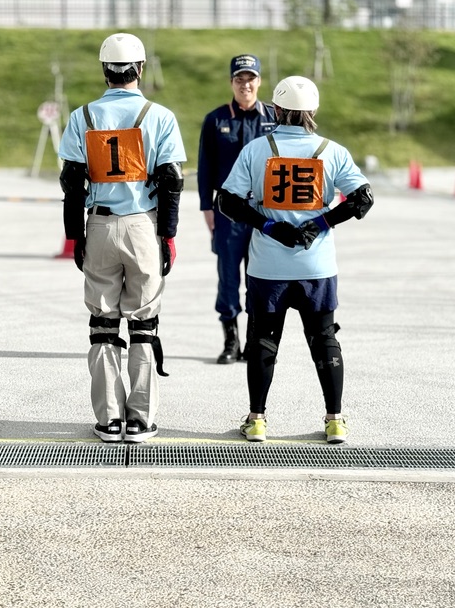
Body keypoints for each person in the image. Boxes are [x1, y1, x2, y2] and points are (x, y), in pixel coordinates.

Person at [216, 75, 373, 445]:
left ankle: (257, 420)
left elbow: (228, 201)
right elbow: (362, 198)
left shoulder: (257, 149)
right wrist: (319, 222)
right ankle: (335, 420)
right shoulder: (331, 151)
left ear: (276, 109)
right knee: (324, 339)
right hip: (316, 267)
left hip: (268, 267)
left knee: (263, 340)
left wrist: (270, 225)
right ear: (313, 111)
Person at [58, 32, 186, 444]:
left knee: (102, 324)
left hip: (99, 222)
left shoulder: (83, 117)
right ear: (141, 68)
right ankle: (141, 420)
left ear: (104, 70)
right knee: (144, 324)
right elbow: (171, 181)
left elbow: (72, 183)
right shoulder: (159, 116)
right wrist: (168, 235)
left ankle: (110, 419)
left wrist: (75, 235)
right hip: (143, 224)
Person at [198, 54, 277, 364]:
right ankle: (231, 340)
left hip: (263, 211)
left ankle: (255, 340)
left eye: (250, 78)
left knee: (260, 276)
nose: (245, 84)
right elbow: (205, 167)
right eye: (239, 79)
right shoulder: (217, 119)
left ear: (259, 81)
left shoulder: (274, 116)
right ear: (231, 82)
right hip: (228, 211)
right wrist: (207, 207)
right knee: (228, 276)